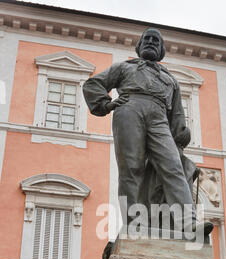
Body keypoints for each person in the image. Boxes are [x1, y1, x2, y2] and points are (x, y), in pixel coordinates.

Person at [83, 27, 213, 236]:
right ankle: (134, 224)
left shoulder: (171, 80)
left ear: (161, 49)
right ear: (139, 45)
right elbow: (93, 83)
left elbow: (177, 113)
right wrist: (107, 104)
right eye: (147, 39)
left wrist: (180, 135)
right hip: (129, 109)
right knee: (131, 170)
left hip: (159, 117)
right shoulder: (124, 67)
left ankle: (188, 223)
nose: (151, 42)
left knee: (174, 166)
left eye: (156, 40)